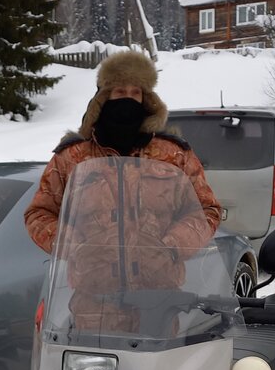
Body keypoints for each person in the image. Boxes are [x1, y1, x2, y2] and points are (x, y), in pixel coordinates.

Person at [24, 50, 221, 258]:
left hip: (160, 283)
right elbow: (39, 214)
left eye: (135, 93)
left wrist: (171, 247)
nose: (128, 100)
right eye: (120, 92)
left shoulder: (174, 154)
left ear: (146, 99)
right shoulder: (71, 156)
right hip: (92, 284)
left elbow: (207, 211)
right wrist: (76, 247)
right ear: (103, 98)